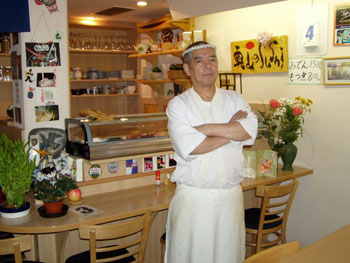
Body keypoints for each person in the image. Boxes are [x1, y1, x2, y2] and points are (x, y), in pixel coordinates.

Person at [165, 41, 258, 263]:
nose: (208, 65)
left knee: (229, 256)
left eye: (212, 59)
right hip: (194, 199)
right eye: (200, 60)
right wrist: (231, 130)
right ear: (187, 69)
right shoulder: (178, 105)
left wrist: (205, 130)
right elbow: (191, 147)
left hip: (230, 197)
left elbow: (249, 130)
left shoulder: (235, 99)